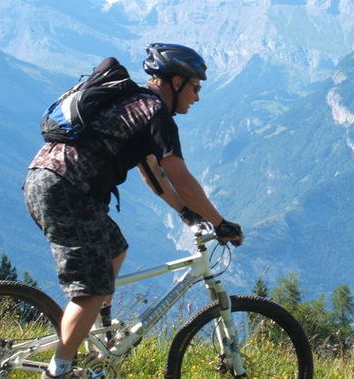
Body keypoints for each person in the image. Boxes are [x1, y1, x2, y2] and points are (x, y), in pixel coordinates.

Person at [23, 43, 244, 378]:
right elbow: (181, 179)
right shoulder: (156, 113)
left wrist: (186, 213)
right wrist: (221, 223)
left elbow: (153, 173)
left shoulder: (134, 103)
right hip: (68, 190)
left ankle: (99, 338)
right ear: (176, 82)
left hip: (47, 180)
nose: (197, 97)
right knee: (90, 290)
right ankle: (59, 371)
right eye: (195, 87)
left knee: (115, 251)